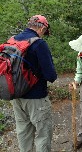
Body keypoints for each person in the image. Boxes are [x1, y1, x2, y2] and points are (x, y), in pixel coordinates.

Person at [10, 15, 57, 152]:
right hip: (37, 99)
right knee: (42, 135)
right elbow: (51, 75)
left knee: (23, 133)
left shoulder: (13, 40)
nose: (44, 35)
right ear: (42, 27)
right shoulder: (39, 44)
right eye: (45, 31)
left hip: (17, 96)